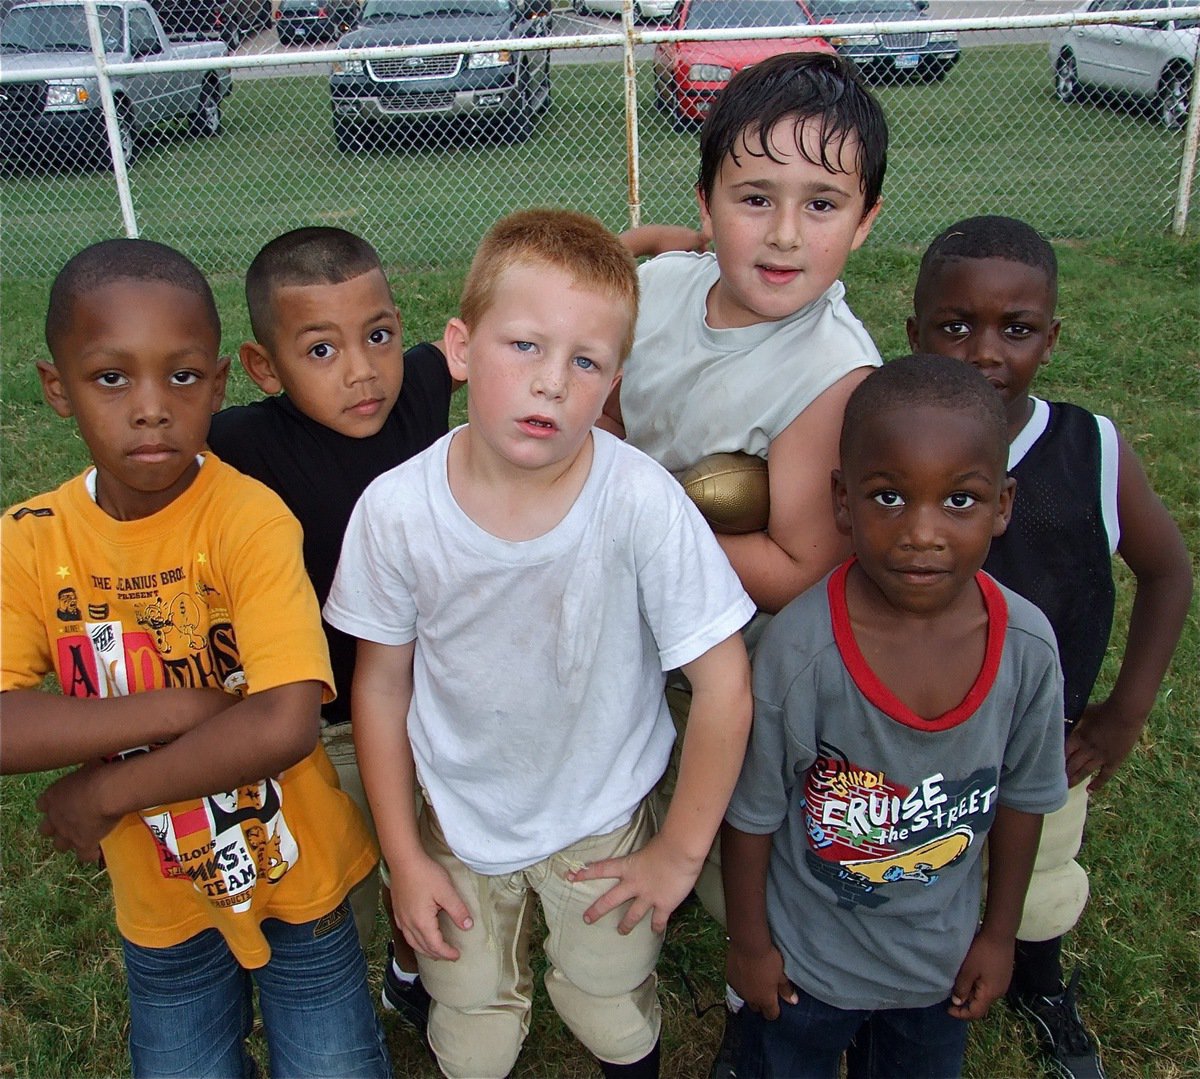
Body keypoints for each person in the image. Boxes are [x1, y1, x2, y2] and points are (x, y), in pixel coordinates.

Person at [324, 207, 756, 1079]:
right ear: (458, 346)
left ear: (614, 384)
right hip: (455, 813)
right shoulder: (397, 511)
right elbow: (379, 688)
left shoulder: (640, 501)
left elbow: (724, 685)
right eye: (524, 345)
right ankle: (441, 993)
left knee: (608, 993)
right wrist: (404, 856)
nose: (552, 382)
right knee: (472, 1024)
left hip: (603, 812)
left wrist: (676, 853)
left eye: (585, 361)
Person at [0, 238, 389, 1078]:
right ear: (56, 388)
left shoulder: (250, 519)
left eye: (181, 377)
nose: (150, 408)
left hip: (301, 882)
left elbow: (284, 720)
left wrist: (105, 787)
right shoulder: (31, 541)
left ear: (217, 384)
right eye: (112, 377)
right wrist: (189, 707)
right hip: (159, 899)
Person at [722, 353, 1069, 1079]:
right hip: (806, 968)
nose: (922, 531)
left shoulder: (1027, 649)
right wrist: (750, 946)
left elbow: (1026, 800)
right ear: (843, 500)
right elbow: (752, 812)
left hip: (936, 972)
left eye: (960, 501)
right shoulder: (800, 652)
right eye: (888, 498)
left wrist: (999, 935)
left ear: (1004, 503)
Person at [906, 215, 1193, 1079]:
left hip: (1044, 740)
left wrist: (1124, 713)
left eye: (1015, 329)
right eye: (955, 326)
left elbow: (1168, 571)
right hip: (915, 735)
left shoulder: (1091, 449)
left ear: (1051, 338)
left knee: (1039, 880)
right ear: (914, 333)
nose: (983, 352)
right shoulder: (891, 437)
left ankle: (1041, 978)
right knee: (914, 867)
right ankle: (906, 977)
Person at [207, 225, 458, 1029]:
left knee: (428, 857)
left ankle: (410, 970)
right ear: (262, 367)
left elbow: (511, 318)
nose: (362, 371)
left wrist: (662, 243)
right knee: (331, 883)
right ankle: (333, 992)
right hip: (316, 731)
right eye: (321, 351)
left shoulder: (417, 389)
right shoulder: (240, 442)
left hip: (429, 705)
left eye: (377, 335)